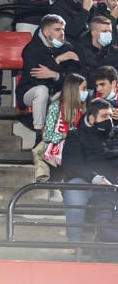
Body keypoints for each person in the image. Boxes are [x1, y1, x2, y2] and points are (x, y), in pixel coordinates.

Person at [60, 97, 118, 250]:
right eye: (104, 117)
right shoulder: (75, 135)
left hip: (114, 184)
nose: (109, 121)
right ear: (92, 119)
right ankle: (75, 245)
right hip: (88, 182)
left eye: (110, 116)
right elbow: (72, 166)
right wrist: (97, 178)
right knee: (74, 189)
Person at [18, 13, 81, 130]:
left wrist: (55, 75)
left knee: (75, 89)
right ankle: (39, 132)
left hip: (57, 90)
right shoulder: (31, 49)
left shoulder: (68, 48)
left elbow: (74, 77)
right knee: (42, 90)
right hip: (30, 91)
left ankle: (71, 131)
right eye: (57, 29)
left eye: (63, 29)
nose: (62, 33)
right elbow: (35, 78)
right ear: (46, 32)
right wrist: (57, 60)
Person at [36, 73, 87, 183]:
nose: (86, 92)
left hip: (73, 150)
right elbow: (47, 135)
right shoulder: (56, 106)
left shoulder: (83, 109)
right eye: (83, 89)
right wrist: (65, 135)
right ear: (73, 90)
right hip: (56, 149)